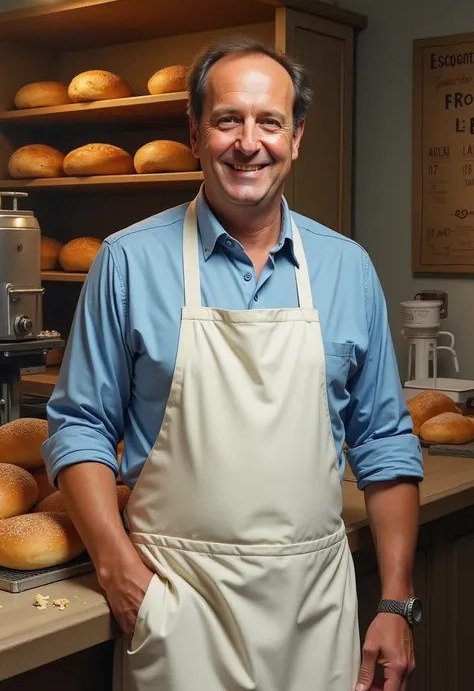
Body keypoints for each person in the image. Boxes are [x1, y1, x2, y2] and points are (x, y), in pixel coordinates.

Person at [42, 36, 424, 691]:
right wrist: (115, 565)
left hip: (315, 608)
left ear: (296, 136)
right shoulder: (129, 262)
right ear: (195, 134)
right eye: (227, 120)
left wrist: (394, 599)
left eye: (269, 121)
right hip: (177, 605)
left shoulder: (347, 268)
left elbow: (385, 443)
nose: (249, 142)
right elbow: (79, 424)